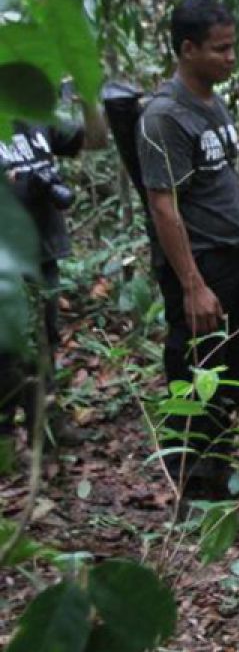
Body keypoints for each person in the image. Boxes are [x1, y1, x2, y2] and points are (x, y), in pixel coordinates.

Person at [137, 0, 239, 497]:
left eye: (232, 47)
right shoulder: (164, 116)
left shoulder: (211, 101)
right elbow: (164, 206)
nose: (231, 58)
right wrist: (192, 285)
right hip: (200, 264)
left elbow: (213, 178)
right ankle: (193, 485)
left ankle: (215, 465)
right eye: (220, 50)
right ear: (187, 49)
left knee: (238, 368)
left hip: (233, 254)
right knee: (197, 369)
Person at [0, 91, 108, 471]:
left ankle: (44, 428)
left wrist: (91, 99)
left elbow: (93, 141)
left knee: (45, 338)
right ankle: (6, 442)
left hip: (42, 250)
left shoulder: (33, 112)